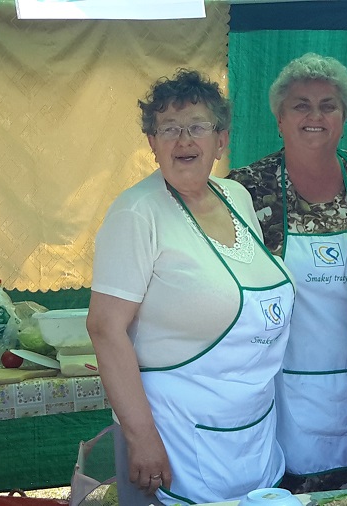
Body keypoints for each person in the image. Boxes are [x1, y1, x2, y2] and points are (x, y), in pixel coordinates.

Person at [86, 68, 294, 505]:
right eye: (169, 128)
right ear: (152, 142)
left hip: (252, 431)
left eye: (197, 127)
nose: (184, 140)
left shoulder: (236, 197)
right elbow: (105, 327)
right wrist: (141, 436)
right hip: (176, 435)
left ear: (221, 139)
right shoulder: (137, 213)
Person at [228, 53, 347, 493]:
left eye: (328, 106)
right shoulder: (246, 189)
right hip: (281, 383)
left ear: (344, 118)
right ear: (279, 119)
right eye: (300, 106)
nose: (315, 116)